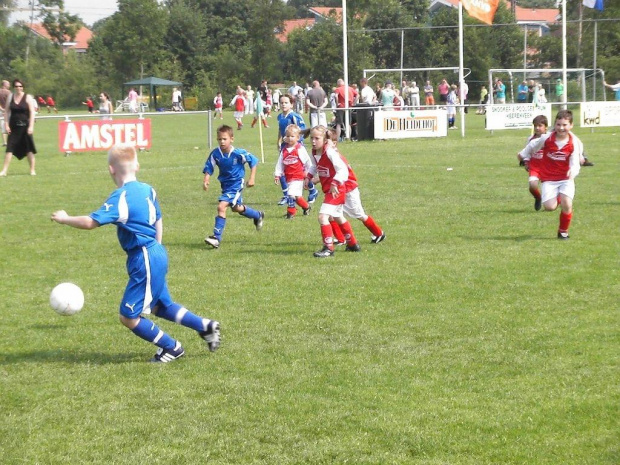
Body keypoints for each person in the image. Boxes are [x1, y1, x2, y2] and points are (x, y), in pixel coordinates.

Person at [51, 144, 220, 363]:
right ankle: (205, 326)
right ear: (137, 165)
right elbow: (158, 218)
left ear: (111, 169)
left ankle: (172, 347)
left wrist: (65, 218)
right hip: (155, 252)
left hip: (144, 257)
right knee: (161, 306)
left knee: (128, 316)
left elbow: (91, 222)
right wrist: (157, 247)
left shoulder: (121, 197)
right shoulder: (148, 189)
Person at [518, 109, 583, 239]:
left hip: (566, 178)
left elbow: (576, 160)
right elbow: (533, 145)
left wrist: (573, 171)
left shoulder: (574, 142)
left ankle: (563, 231)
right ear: (555, 125)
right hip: (549, 178)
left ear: (571, 125)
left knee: (567, 204)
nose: (561, 128)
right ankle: (558, 196)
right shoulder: (547, 138)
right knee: (549, 207)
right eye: (558, 124)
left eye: (565, 125)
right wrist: (523, 154)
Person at [318, 129, 386, 245]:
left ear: (334, 143)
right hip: (339, 189)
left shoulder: (334, 155)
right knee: (331, 215)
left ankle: (378, 232)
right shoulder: (326, 155)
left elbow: (343, 173)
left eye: (327, 141)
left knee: (358, 214)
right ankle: (341, 239)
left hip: (349, 189)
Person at [202, 125, 264, 249]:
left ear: (232, 139)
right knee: (236, 208)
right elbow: (209, 166)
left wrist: (252, 178)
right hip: (225, 185)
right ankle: (258, 215)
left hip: (236, 185)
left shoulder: (238, 153)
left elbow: (254, 161)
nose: (222, 142)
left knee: (221, 206)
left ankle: (216, 238)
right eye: (219, 139)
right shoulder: (215, 153)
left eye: (225, 139)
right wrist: (206, 179)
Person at [307, 126, 360, 258]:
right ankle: (353, 244)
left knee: (322, 217)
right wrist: (308, 177)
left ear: (325, 140)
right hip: (330, 190)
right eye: (311, 138)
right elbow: (314, 166)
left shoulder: (330, 152)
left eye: (317, 138)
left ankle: (328, 248)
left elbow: (343, 169)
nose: (313, 141)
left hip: (337, 190)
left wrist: (335, 182)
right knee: (338, 217)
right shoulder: (314, 152)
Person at [276, 93, 318, 205]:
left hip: (296, 148)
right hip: (285, 147)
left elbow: (302, 131)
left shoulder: (295, 116)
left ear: (291, 104)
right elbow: (281, 130)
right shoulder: (280, 116)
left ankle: (312, 190)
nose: (283, 105)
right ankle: (286, 195)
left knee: (301, 173)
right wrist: (279, 141)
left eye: (286, 102)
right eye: (281, 102)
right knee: (282, 171)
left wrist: (295, 142)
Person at [274, 125, 312, 219]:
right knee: (297, 197)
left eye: (292, 136)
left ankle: (290, 213)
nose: (290, 138)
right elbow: (280, 163)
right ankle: (306, 207)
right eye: (288, 136)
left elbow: (307, 161)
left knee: (290, 194)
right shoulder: (284, 150)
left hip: (298, 176)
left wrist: (309, 173)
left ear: (298, 137)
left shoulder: (299, 149)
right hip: (289, 177)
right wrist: (277, 175)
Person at [0, 79, 37, 177]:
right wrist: (6, 125)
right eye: (16, 86)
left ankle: (32, 170)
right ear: (14, 87)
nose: (18, 88)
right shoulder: (10, 97)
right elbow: (7, 111)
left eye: (20, 86)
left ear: (23, 87)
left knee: (29, 149)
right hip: (13, 127)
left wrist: (31, 126)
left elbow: (32, 112)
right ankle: (4, 171)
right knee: (9, 149)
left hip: (25, 127)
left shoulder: (28, 97)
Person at [517, 115, 548, 211]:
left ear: (546, 127)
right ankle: (538, 197)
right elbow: (527, 152)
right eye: (535, 126)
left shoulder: (549, 138)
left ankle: (556, 202)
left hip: (547, 167)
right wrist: (526, 162)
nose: (537, 128)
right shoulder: (531, 139)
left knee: (549, 189)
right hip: (535, 166)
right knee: (532, 186)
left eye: (540, 125)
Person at [0, 80, 11, 146]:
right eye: (8, 84)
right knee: (9, 125)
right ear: (4, 85)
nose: (9, 85)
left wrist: (1, 109)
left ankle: (5, 142)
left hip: (1, 111)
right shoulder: (8, 92)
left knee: (3, 126)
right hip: (8, 111)